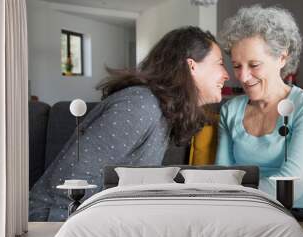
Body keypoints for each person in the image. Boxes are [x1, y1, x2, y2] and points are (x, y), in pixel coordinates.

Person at [30, 26, 229, 221]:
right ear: (192, 66)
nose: (226, 75)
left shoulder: (164, 112)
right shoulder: (140, 105)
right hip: (55, 224)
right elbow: (71, 188)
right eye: (219, 63)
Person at [216, 5, 303, 220]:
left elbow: (291, 184)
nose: (243, 77)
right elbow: (222, 175)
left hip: (300, 211)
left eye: (254, 65)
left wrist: (237, 206)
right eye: (237, 66)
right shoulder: (230, 110)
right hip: (241, 211)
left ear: (282, 58)